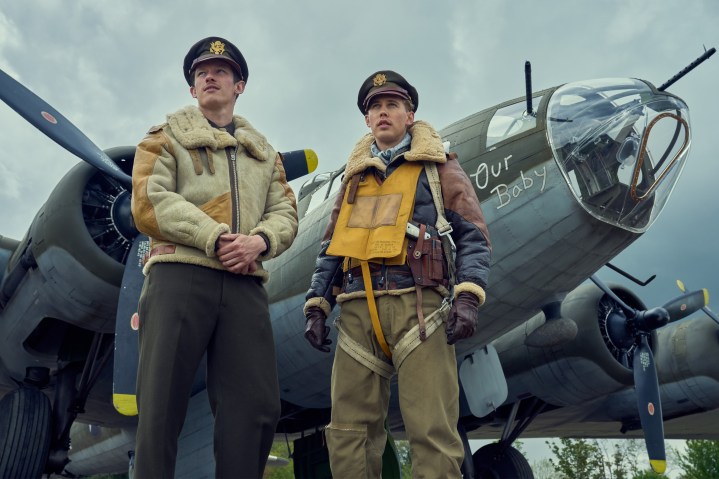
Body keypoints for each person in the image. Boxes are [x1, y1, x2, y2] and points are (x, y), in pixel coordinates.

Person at [303, 70, 491, 478]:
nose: (383, 112)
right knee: (349, 433)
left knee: (432, 430)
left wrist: (468, 296)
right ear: (367, 121)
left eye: (392, 105)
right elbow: (331, 249)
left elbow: (474, 236)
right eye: (375, 107)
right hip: (356, 310)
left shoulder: (440, 168)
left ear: (410, 115)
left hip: (420, 308)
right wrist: (317, 304)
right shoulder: (352, 180)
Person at [130, 36, 298, 478]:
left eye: (220, 71)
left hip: (245, 282)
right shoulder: (164, 137)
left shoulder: (264, 154)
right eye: (201, 72)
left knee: (258, 406)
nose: (209, 76)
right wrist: (215, 236)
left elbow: (285, 211)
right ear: (192, 89)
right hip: (179, 275)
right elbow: (149, 199)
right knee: (160, 403)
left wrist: (259, 242)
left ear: (239, 85)